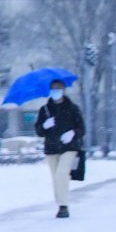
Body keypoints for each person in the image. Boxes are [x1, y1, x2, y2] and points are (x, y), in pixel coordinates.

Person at [36, 79, 86, 218]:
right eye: (52, 88)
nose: (55, 91)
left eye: (58, 88)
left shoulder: (72, 108)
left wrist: (72, 133)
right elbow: (39, 131)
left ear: (63, 90)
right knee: (56, 178)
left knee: (62, 174)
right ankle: (60, 204)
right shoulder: (44, 110)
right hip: (51, 148)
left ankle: (64, 205)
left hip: (69, 147)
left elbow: (82, 128)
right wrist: (45, 125)